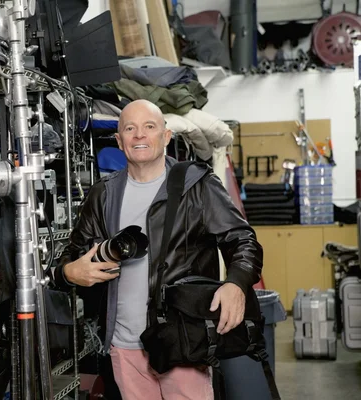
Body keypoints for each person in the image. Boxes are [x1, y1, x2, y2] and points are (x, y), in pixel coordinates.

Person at [53, 99, 263, 400]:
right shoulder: (104, 193)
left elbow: (242, 240)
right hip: (124, 346)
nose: (139, 135)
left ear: (165, 136)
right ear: (119, 141)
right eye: (130, 128)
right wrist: (70, 272)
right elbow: (72, 255)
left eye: (149, 127)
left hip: (183, 341)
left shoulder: (197, 185)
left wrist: (236, 283)